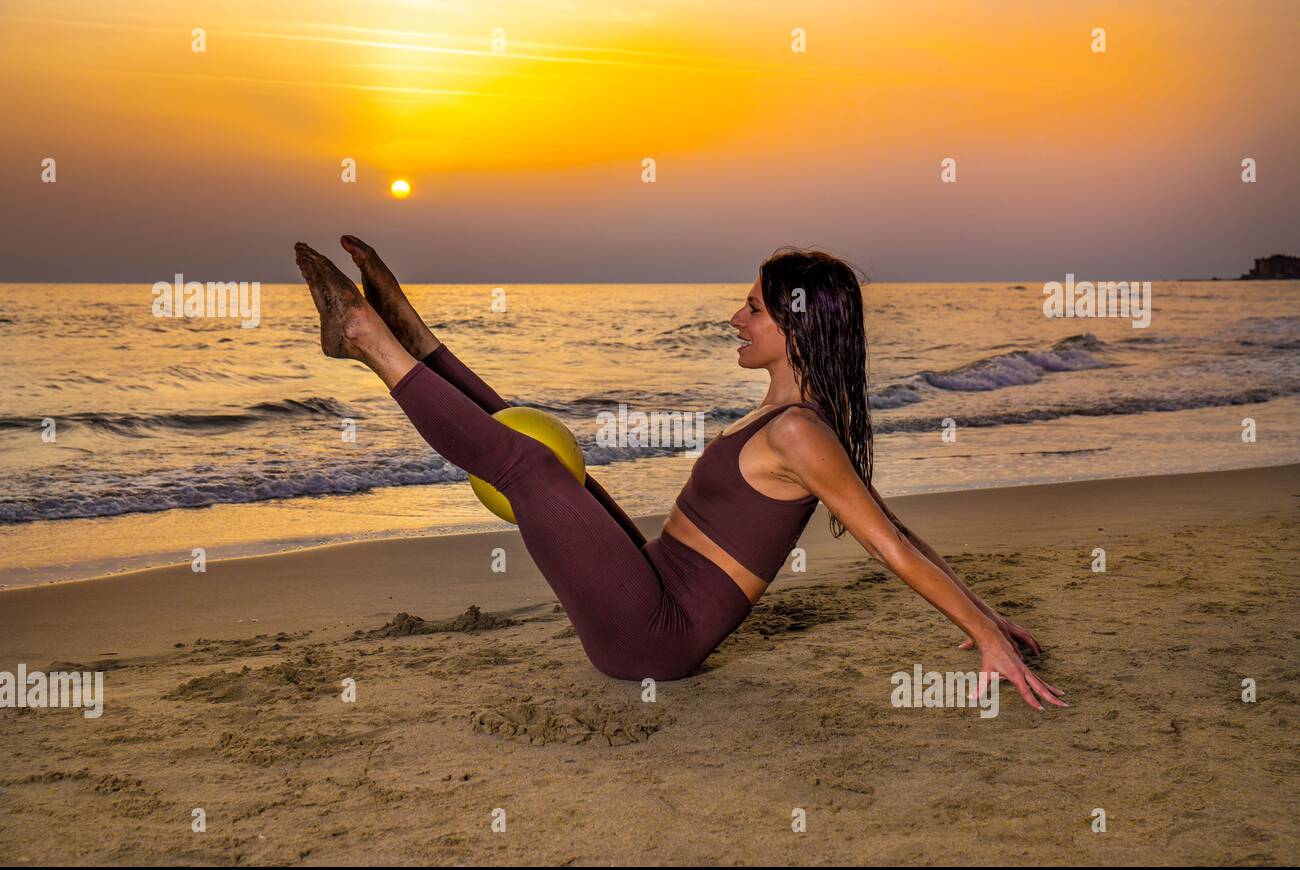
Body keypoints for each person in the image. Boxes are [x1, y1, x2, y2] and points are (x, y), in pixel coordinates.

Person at [293, 238, 1065, 710]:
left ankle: (364, 336)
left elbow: (887, 546)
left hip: (653, 638)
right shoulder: (788, 416)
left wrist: (982, 636)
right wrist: (987, 616)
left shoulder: (800, 433)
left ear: (794, 326)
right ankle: (412, 334)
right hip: (652, 585)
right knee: (550, 452)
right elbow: (899, 529)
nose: (736, 317)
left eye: (754, 308)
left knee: (525, 465)